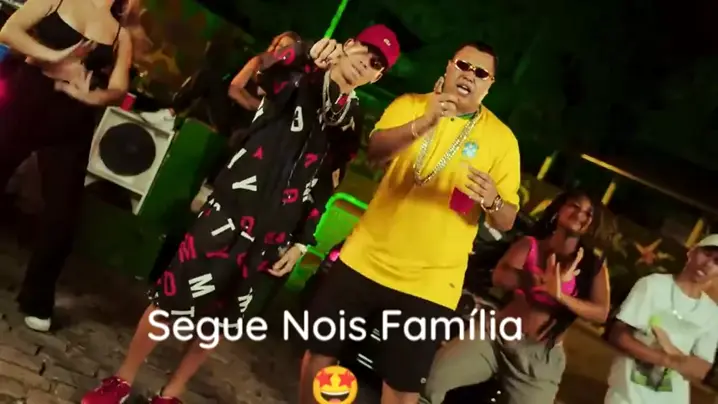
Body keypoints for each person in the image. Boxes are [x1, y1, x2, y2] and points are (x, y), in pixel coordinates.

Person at [82, 24, 400, 404]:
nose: (366, 63)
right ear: (348, 45)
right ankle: (121, 381)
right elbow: (267, 72)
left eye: (377, 64)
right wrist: (308, 53)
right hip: (230, 212)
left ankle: (171, 394)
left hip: (272, 235)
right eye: (365, 51)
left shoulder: (351, 117)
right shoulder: (300, 74)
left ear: (377, 77)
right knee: (170, 301)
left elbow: (329, 180)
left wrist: (302, 241)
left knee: (219, 323)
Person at [299, 41, 521, 404]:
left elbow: (507, 219)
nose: (469, 75)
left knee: (402, 387)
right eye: (463, 66)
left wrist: (493, 199)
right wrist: (425, 122)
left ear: (489, 84)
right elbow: (375, 153)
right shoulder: (410, 105)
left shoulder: (502, 140)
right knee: (321, 354)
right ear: (449, 66)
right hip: (364, 259)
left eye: (481, 73)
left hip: (430, 283)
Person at [0, 0, 147, 333]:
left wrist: (91, 97)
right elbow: (9, 31)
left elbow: (119, 88)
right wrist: (57, 57)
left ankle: (36, 299)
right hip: (27, 100)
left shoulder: (120, 34)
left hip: (72, 120)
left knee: (63, 215)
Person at [422, 190, 611, 404]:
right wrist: (536, 280)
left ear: (593, 224)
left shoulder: (593, 267)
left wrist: (560, 296)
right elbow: (500, 276)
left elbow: (601, 313)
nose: (579, 214)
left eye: (588, 213)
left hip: (538, 360)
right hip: (495, 337)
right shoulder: (530, 244)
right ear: (559, 209)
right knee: (431, 382)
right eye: (574, 206)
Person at [605, 234, 718, 404]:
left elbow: (701, 368)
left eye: (717, 262)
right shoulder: (652, 285)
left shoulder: (712, 313)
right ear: (692, 252)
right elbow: (619, 335)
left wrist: (670, 351)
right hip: (627, 396)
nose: (708, 264)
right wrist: (667, 359)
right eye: (707, 254)